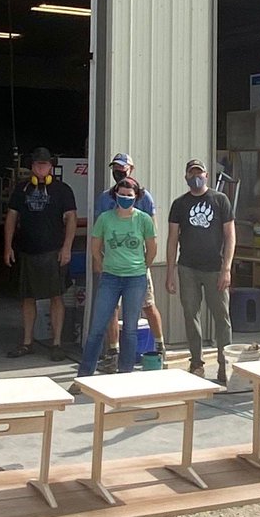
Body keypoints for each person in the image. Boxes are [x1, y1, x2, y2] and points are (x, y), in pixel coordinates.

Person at [77, 177, 156, 378]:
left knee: (130, 329)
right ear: (115, 196)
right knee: (97, 327)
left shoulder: (144, 219)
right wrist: (103, 264)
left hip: (135, 279)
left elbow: (152, 248)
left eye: (129, 195)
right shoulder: (105, 218)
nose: (125, 198)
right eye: (121, 195)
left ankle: (125, 375)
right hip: (110, 278)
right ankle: (84, 375)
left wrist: (142, 266)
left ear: (136, 197)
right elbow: (95, 247)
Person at [166, 159, 235, 386]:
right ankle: (196, 363)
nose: (196, 176)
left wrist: (226, 268)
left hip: (215, 268)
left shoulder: (219, 200)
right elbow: (172, 238)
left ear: (206, 175)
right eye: (191, 173)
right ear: (186, 176)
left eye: (199, 172)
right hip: (187, 267)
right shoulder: (179, 204)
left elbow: (230, 236)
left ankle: (226, 365)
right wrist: (170, 271)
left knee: (221, 317)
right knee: (190, 314)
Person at [4, 146, 77, 362]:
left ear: (51, 167)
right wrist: (7, 246)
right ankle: (27, 342)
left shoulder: (63, 190)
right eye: (37, 164)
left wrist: (67, 248)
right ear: (32, 167)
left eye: (44, 164)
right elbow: (11, 218)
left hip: (53, 252)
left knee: (57, 297)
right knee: (27, 298)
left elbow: (71, 219)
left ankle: (56, 344)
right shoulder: (21, 189)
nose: (40, 167)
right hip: (27, 251)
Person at [94, 152, 166, 371]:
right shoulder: (105, 198)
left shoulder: (145, 197)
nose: (119, 171)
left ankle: (161, 348)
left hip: (137, 265)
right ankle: (113, 353)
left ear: (131, 169)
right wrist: (101, 261)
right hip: (112, 264)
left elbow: (152, 233)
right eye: (115, 168)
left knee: (148, 305)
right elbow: (99, 231)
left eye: (122, 168)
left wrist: (146, 263)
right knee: (111, 309)